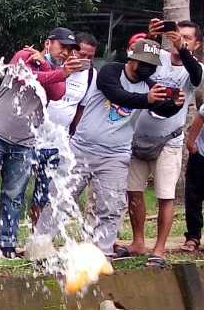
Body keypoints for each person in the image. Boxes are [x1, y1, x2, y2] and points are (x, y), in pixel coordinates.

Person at [32, 39, 186, 258]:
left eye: (151, 66)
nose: (146, 69)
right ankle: (39, 246)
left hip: (116, 155)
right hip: (82, 149)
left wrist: (175, 103)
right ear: (131, 58)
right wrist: (148, 99)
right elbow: (117, 95)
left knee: (112, 207)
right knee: (61, 198)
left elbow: (164, 109)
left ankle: (100, 253)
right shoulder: (110, 72)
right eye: (143, 63)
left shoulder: (149, 86)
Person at [0, 28, 84, 258]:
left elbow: (58, 92)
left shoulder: (53, 69)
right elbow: (27, 78)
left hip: (25, 141)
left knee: (14, 194)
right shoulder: (24, 55)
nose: (65, 53)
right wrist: (58, 71)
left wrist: (53, 68)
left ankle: (7, 246)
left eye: (70, 50)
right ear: (48, 43)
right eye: (63, 47)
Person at [119, 20, 203, 267]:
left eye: (187, 38)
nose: (181, 41)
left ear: (196, 44)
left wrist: (183, 50)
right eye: (177, 36)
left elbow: (196, 79)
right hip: (138, 136)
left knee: (165, 196)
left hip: (169, 140)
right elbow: (138, 67)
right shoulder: (158, 57)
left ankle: (159, 249)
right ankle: (137, 242)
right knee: (133, 191)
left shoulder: (195, 67)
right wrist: (151, 36)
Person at [30, 32, 99, 224]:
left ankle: (38, 238)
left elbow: (81, 109)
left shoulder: (91, 76)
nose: (84, 60)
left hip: (58, 141)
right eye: (81, 54)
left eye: (90, 57)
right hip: (31, 137)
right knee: (15, 188)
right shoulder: (50, 64)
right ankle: (8, 239)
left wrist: (73, 138)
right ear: (70, 50)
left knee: (45, 192)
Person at [183, 104, 204, 252]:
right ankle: (193, 237)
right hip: (201, 155)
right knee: (193, 197)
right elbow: (200, 117)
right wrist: (191, 143)